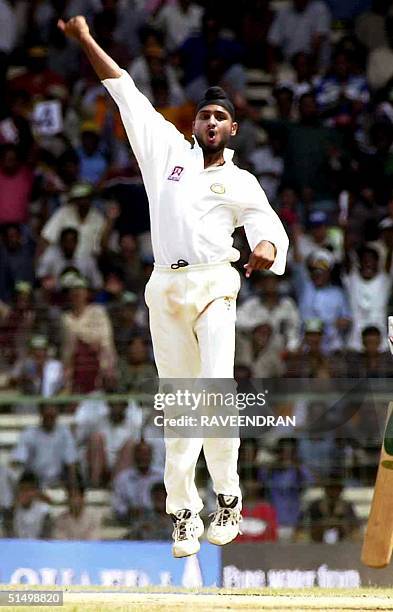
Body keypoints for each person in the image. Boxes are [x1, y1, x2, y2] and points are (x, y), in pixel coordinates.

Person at [58, 15, 289, 559]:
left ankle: (228, 498)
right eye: (206, 114)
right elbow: (124, 90)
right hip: (164, 287)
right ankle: (184, 511)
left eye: (221, 117)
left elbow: (268, 226)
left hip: (215, 283)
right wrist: (88, 40)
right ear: (195, 124)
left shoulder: (240, 180)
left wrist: (267, 249)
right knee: (182, 406)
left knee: (215, 388)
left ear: (232, 129)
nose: (212, 122)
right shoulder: (165, 149)